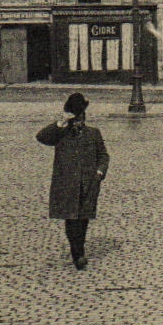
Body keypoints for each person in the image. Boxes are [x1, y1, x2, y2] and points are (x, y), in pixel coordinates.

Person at [36, 93, 108, 271]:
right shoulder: (61, 133)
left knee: (83, 219)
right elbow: (41, 137)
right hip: (67, 184)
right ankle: (78, 254)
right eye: (75, 118)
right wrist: (60, 124)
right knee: (71, 219)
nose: (78, 121)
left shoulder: (93, 133)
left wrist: (99, 173)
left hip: (88, 184)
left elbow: (104, 156)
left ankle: (79, 247)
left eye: (81, 117)